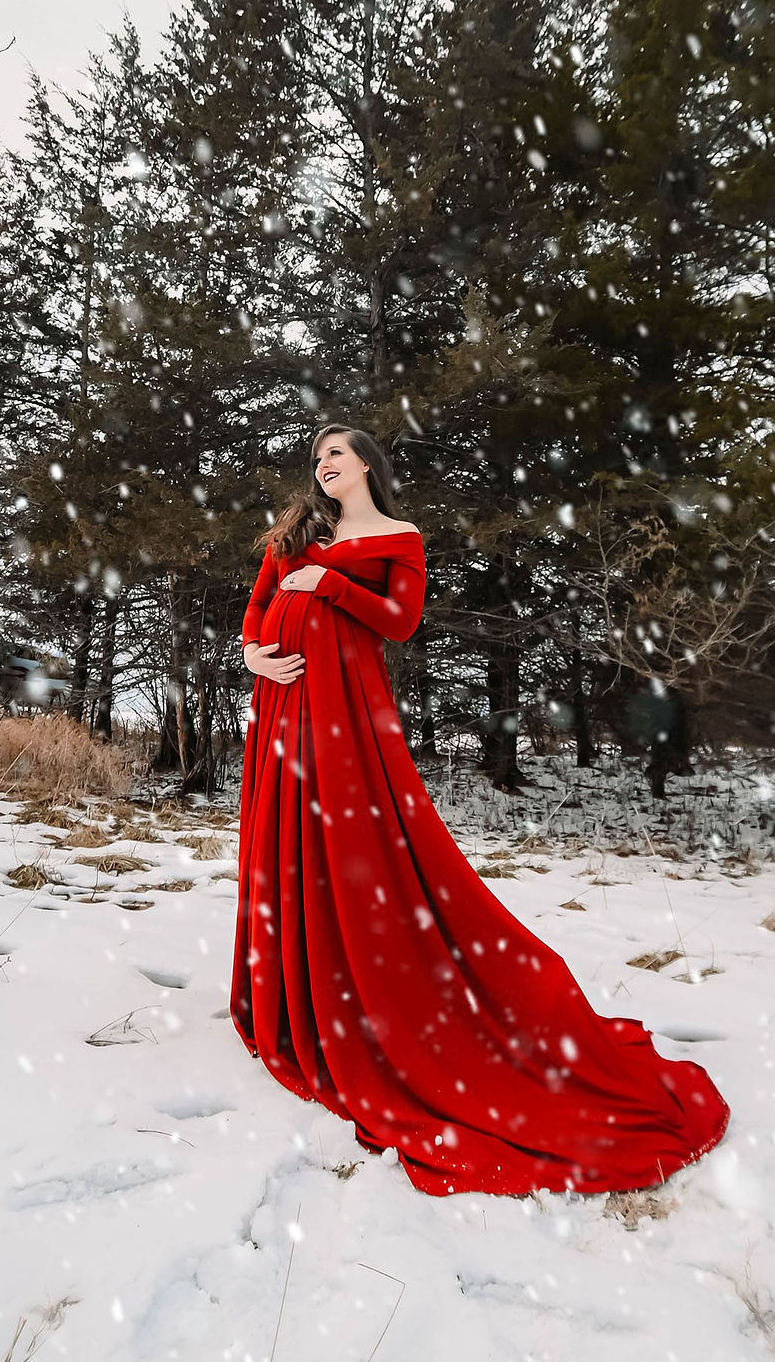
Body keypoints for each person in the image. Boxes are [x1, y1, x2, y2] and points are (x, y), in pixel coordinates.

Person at [231, 423, 730, 1197]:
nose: (323, 466)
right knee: (286, 845)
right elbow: (256, 610)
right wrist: (257, 652)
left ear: (366, 461)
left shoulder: (398, 534)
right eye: (316, 458)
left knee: (362, 845)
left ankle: (369, 978)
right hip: (285, 705)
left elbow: (399, 620)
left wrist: (327, 585)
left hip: (348, 713)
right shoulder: (297, 529)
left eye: (336, 453)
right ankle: (297, 985)